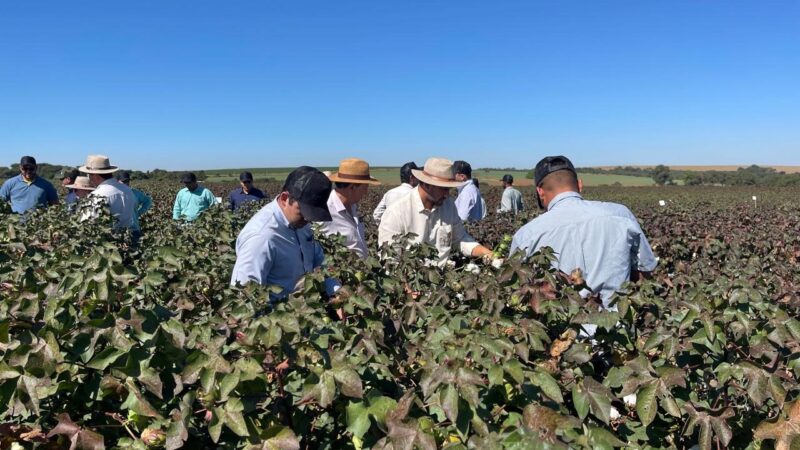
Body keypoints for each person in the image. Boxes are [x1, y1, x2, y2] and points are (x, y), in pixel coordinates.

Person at [510, 155, 657, 311]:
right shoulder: (620, 214)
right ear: (580, 185)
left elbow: (518, 293)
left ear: (540, 191)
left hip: (559, 331)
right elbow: (645, 270)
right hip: (617, 327)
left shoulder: (526, 235)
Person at [230, 166, 339, 300]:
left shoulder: (298, 220)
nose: (307, 218)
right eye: (304, 211)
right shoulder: (261, 237)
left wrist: (335, 291)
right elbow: (245, 297)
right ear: (284, 198)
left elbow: (318, 259)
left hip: (307, 310)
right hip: (279, 317)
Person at [378, 157, 494, 266]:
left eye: (449, 189)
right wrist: (407, 286)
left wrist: (487, 253)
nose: (447, 194)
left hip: (442, 280)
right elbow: (390, 260)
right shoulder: (397, 212)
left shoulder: (448, 205)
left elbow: (460, 238)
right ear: (427, 184)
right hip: (411, 283)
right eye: (443, 189)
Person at [321, 158, 381, 259]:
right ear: (352, 187)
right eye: (364, 188)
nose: (366, 193)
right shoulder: (325, 212)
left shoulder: (353, 205)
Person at [79, 155, 138, 232]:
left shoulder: (96, 196)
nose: (89, 178)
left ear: (95, 175)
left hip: (109, 239)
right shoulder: (127, 190)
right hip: (130, 237)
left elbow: (87, 224)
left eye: (89, 174)